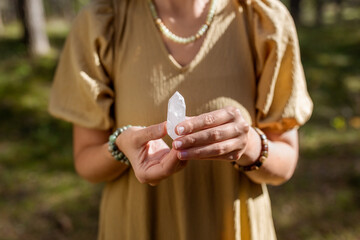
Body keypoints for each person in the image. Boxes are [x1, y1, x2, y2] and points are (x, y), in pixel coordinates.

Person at [49, 0, 313, 239]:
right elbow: (85, 161)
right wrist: (120, 147)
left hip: (232, 226)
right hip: (137, 228)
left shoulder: (264, 20)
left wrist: (249, 145)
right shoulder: (101, 22)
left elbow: (285, 161)